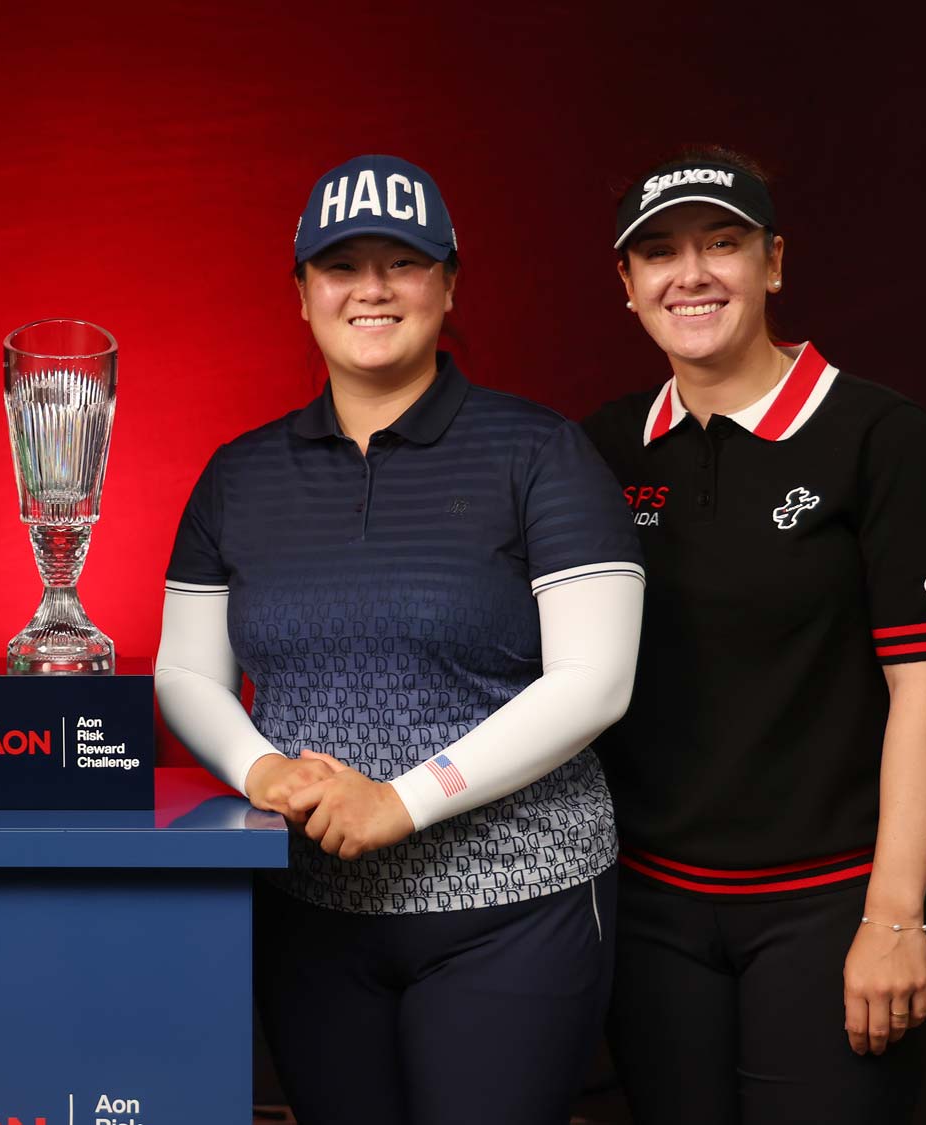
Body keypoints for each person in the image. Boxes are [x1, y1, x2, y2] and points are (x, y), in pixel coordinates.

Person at [155, 154, 646, 1124]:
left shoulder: (539, 451)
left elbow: (595, 682)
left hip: (514, 911)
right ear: (301, 294)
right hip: (311, 913)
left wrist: (403, 801)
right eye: (341, 266)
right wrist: (259, 772)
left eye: (403, 262)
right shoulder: (238, 474)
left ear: (447, 284)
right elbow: (183, 670)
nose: (371, 289)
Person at [583, 148, 926, 1124]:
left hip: (829, 907)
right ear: (626, 286)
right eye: (658, 254)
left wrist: (893, 915)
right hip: (650, 912)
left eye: (722, 243)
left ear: (773, 263)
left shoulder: (878, 436)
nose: (691, 274)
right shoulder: (597, 448)